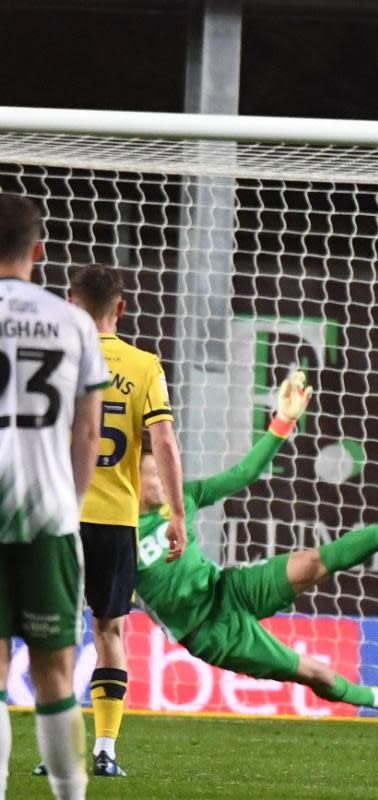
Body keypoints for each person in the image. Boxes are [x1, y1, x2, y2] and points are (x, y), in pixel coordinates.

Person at [134, 371, 378, 718]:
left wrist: (283, 420)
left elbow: (243, 474)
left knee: (312, 563)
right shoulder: (118, 532)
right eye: (155, 474)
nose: (165, 479)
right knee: (316, 673)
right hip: (210, 633)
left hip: (226, 588)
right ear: (132, 481)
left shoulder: (181, 497)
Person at [0, 193, 107, 800]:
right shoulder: (72, 323)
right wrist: (71, 501)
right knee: (54, 673)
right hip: (50, 517)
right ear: (38, 252)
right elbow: (87, 430)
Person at [64, 264, 186, 778]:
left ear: (71, 304)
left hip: (57, 514)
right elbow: (163, 443)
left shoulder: (56, 358)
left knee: (41, 635)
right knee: (109, 630)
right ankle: (105, 749)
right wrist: (176, 512)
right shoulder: (144, 366)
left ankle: (56, 751)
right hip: (115, 520)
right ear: (122, 307)